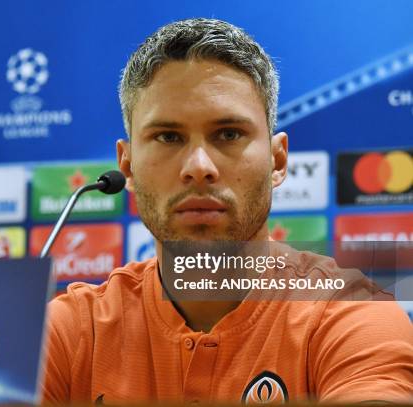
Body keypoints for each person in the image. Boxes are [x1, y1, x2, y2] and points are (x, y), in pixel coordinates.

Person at [41, 18, 413, 404]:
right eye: (168, 137)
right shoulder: (68, 332)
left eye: (228, 134)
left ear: (278, 160)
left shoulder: (351, 315)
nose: (199, 166)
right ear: (128, 165)